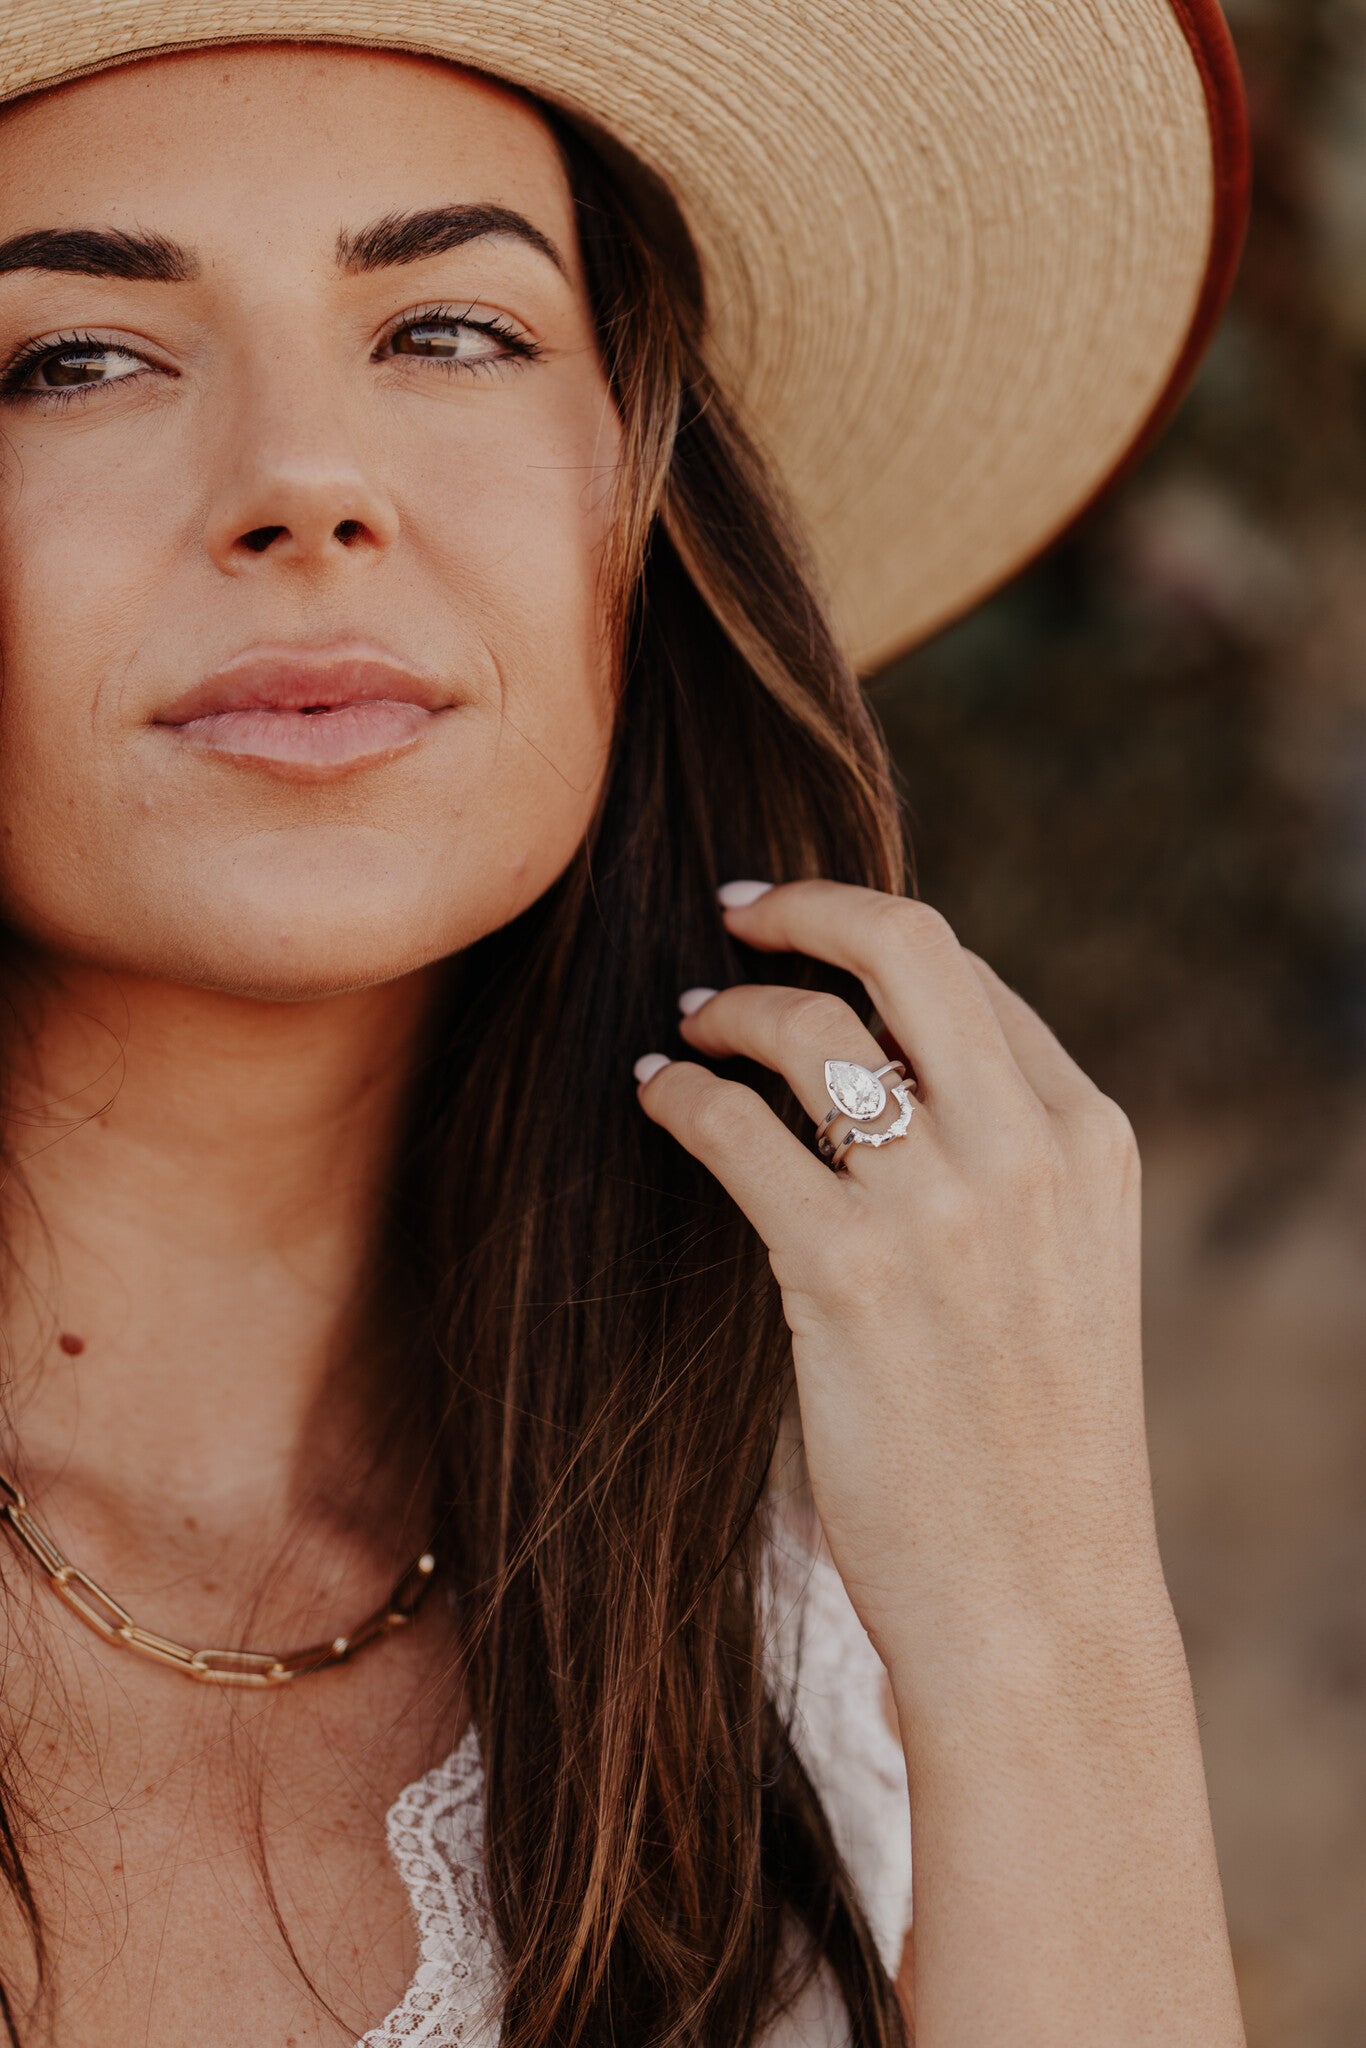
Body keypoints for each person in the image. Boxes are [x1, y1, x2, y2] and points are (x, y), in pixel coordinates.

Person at [0, 6, 1250, 2044]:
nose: (304, 484)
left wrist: (1046, 1614)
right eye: (71, 360)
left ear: (637, 504)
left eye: (451, 330)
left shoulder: (799, 1631)